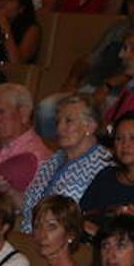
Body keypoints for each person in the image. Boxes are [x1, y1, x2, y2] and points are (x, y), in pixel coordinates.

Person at [19, 96, 114, 233]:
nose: (59, 128)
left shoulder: (103, 165)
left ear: (90, 126)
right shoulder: (54, 159)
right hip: (29, 237)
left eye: (68, 121)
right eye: (58, 122)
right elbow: (30, 203)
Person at [79, 112, 134, 223]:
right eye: (119, 138)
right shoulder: (106, 176)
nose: (125, 144)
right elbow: (82, 215)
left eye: (133, 138)